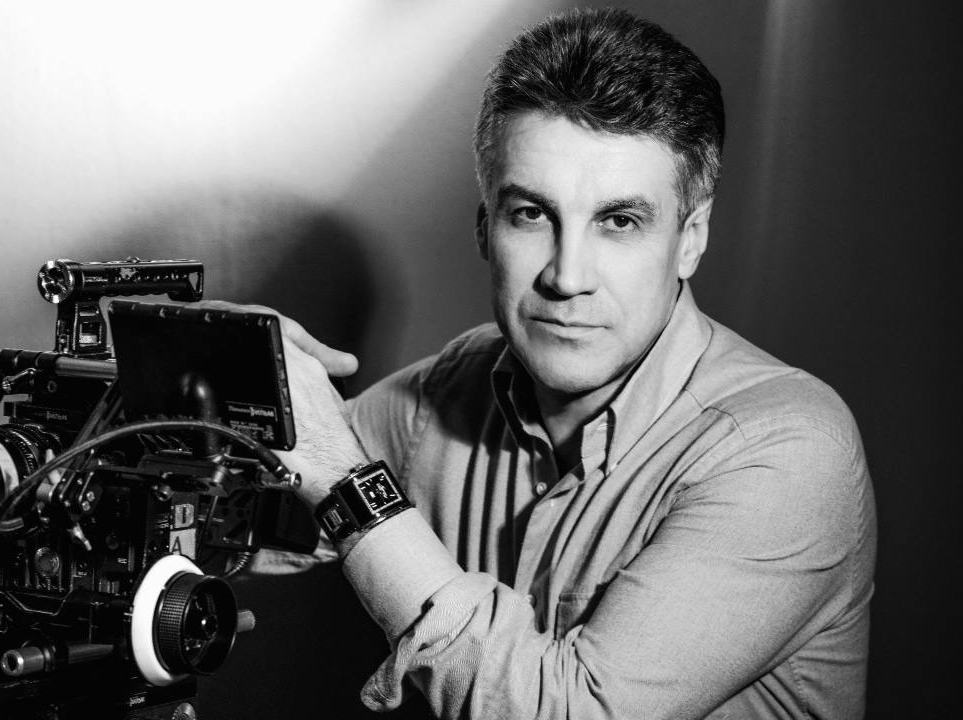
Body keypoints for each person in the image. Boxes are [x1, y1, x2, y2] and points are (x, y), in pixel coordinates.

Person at [251, 8, 876, 719]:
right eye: (531, 214)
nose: (567, 277)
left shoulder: (789, 449)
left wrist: (351, 488)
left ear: (691, 238)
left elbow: (569, 711)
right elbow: (242, 506)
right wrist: (209, 365)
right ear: (485, 228)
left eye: (619, 222)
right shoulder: (451, 393)